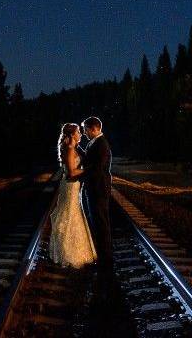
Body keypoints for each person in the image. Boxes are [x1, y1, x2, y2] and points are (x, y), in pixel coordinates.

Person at [48, 123, 97, 268]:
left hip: (73, 186)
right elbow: (72, 173)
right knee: (69, 214)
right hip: (70, 186)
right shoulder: (70, 150)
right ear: (71, 135)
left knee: (72, 213)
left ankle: (70, 250)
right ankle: (68, 252)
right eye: (78, 132)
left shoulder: (74, 148)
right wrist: (90, 169)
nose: (81, 134)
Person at [77, 116, 114, 292]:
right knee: (98, 222)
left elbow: (96, 167)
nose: (84, 133)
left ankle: (106, 260)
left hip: (98, 188)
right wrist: (77, 148)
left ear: (94, 128)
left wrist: (77, 175)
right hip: (95, 188)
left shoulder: (102, 144)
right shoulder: (95, 143)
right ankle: (103, 257)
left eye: (85, 129)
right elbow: (90, 161)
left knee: (101, 223)